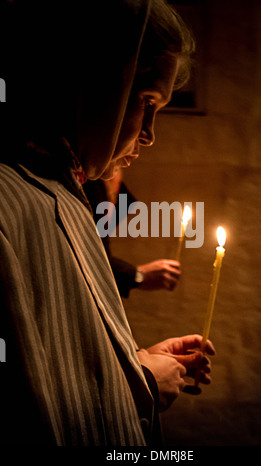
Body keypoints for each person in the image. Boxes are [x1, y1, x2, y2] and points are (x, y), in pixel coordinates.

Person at [0, 0, 215, 446]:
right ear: (95, 81)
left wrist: (130, 363)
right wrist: (143, 388)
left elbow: (65, 355)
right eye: (146, 101)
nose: (150, 133)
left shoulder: (64, 192)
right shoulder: (13, 199)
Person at [84, 168, 182, 298]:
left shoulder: (106, 176)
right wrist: (136, 274)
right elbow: (89, 259)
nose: (138, 149)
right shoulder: (91, 182)